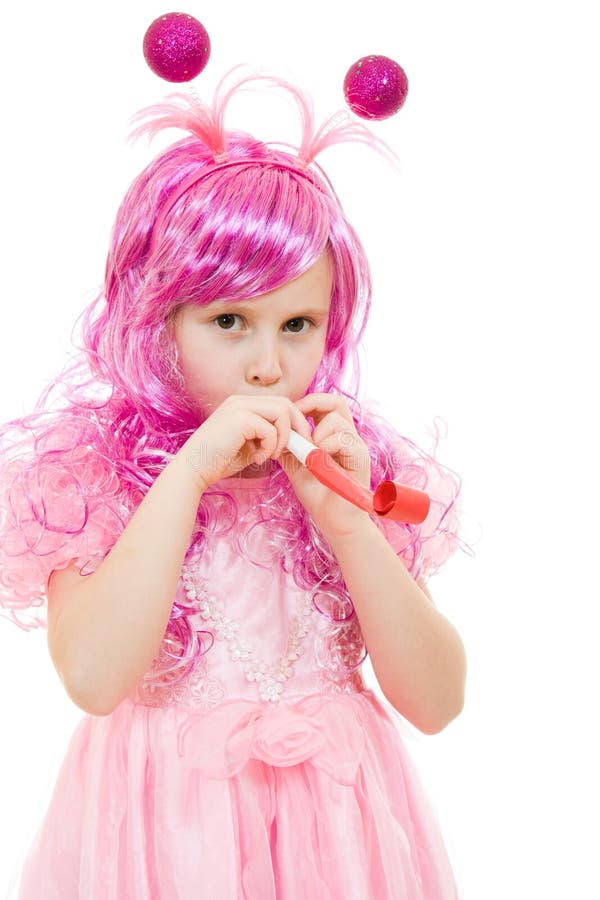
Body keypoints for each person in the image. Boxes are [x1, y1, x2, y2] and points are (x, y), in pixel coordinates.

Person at [0, 67, 468, 899]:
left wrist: (349, 523)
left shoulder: (350, 466)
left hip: (340, 836)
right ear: (158, 318)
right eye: (229, 322)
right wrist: (185, 476)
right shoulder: (97, 474)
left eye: (298, 325)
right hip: (166, 837)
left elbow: (435, 702)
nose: (266, 363)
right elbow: (95, 677)